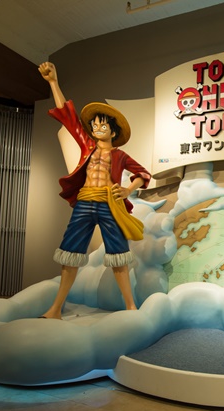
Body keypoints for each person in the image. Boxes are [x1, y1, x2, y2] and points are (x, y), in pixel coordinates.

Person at [38, 62, 151, 318]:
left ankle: (130, 306)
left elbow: (143, 174)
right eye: (95, 125)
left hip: (109, 205)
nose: (97, 129)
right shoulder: (87, 145)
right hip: (84, 202)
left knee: (118, 255)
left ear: (113, 131)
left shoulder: (120, 155)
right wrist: (53, 82)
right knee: (70, 253)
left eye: (103, 126)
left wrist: (128, 190)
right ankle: (56, 308)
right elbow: (67, 116)